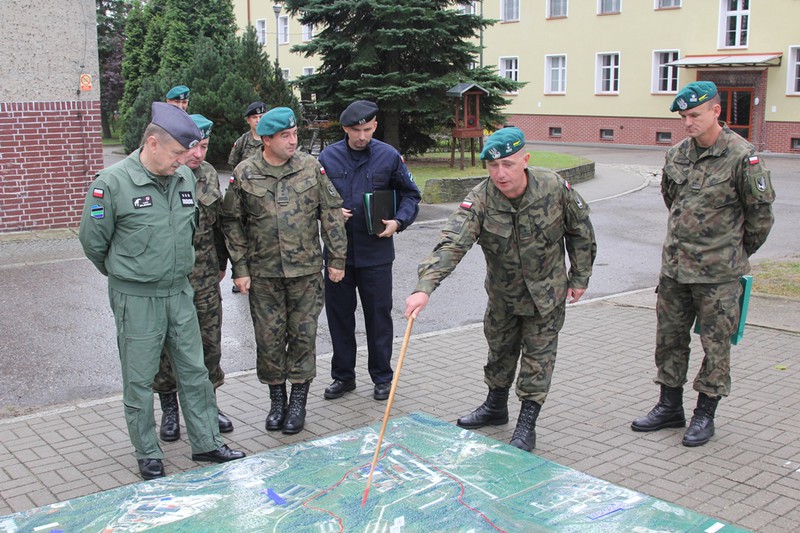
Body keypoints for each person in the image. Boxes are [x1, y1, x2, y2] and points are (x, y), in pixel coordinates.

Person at [79, 102, 245, 480]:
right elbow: (93, 243)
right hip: (136, 297)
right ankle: (147, 451)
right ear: (152, 143)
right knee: (139, 379)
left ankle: (206, 442)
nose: (182, 162)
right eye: (176, 154)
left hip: (179, 292)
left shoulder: (185, 179)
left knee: (194, 371)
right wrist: (129, 275)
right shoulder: (112, 184)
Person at [404, 127, 596, 452]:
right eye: (492, 166)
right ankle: (495, 406)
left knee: (538, 361)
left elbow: (581, 233)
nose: (500, 174)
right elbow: (453, 242)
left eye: (507, 164)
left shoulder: (553, 187)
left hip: (546, 296)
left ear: (525, 160)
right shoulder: (480, 198)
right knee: (499, 353)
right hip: (503, 297)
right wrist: (425, 287)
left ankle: (526, 423)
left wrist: (580, 277)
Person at [631, 81, 775, 447]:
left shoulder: (743, 156)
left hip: (719, 275)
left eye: (694, 115)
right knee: (669, 339)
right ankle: (669, 407)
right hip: (675, 269)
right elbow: (673, 200)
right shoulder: (677, 153)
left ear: (716, 112)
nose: (688, 123)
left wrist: (732, 254)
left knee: (716, 345)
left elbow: (760, 218)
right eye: (683, 116)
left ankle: (705, 414)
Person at [220, 107, 347, 435]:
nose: (293, 141)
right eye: (285, 136)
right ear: (266, 140)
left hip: (305, 272)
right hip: (264, 274)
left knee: (303, 336)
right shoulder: (245, 173)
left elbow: (331, 212)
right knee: (269, 338)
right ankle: (277, 400)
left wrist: (336, 260)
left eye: (294, 134)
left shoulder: (310, 167)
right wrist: (241, 267)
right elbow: (232, 221)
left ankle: (299, 401)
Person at [318, 100, 421, 401]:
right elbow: (314, 200)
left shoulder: (389, 157)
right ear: (345, 128)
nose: (361, 136)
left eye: (367, 129)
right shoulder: (328, 156)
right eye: (355, 130)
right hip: (339, 254)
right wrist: (330, 213)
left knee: (378, 317)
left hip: (376, 252)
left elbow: (411, 195)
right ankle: (343, 376)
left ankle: (382, 378)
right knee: (339, 317)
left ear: (375, 125)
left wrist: (399, 222)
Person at [152, 114, 234, 442]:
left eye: (204, 146)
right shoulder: (163, 174)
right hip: (168, 279)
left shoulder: (209, 174)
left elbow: (220, 225)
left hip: (204, 279)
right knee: (165, 347)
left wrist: (223, 263)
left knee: (209, 344)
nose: (198, 154)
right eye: (193, 146)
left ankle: (209, 404)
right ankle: (170, 410)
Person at [227, 101, 267, 293]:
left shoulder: (271, 138)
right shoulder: (243, 141)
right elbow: (234, 165)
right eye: (255, 118)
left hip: (265, 195)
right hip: (246, 194)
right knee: (242, 235)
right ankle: (241, 274)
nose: (258, 121)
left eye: (261, 117)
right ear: (248, 120)